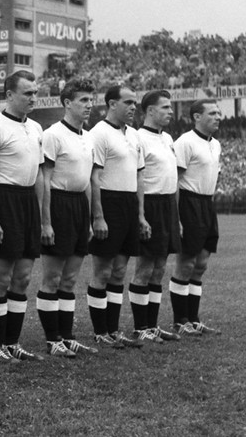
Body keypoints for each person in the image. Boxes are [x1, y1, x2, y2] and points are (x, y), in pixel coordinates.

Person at [0, 70, 44, 363]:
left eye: (35, 92)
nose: (33, 98)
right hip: (4, 201)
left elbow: (39, 173)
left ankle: (13, 343)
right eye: (27, 93)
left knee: (23, 277)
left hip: (28, 202)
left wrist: (40, 215)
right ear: (9, 95)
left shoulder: (37, 127)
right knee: (2, 277)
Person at [37, 79, 99, 358]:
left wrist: (88, 219)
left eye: (91, 100)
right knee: (52, 276)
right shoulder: (53, 135)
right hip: (58, 203)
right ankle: (53, 340)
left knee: (70, 278)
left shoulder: (87, 137)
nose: (89, 105)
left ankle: (67, 336)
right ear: (67, 103)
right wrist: (46, 222)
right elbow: (45, 179)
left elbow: (86, 181)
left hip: (78, 207)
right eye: (83, 100)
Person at [86, 85, 145, 349]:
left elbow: (139, 176)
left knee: (120, 271)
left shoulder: (133, 134)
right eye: (128, 102)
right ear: (111, 104)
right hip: (108, 203)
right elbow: (94, 177)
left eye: (136, 103)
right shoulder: (98, 133)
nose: (134, 107)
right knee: (103, 270)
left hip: (129, 203)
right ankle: (100, 332)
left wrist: (141, 215)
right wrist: (98, 216)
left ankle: (114, 330)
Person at [128, 90, 182, 344]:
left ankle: (152, 325)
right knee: (145, 267)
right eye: (165, 107)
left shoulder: (168, 138)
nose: (170, 111)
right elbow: (137, 179)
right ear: (150, 111)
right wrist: (140, 215)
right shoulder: (138, 138)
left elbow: (173, 179)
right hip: (150, 205)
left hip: (168, 205)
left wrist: (177, 216)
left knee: (160, 268)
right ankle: (141, 327)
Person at [170, 99, 223, 336]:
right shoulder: (185, 142)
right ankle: (180, 320)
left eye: (219, 113)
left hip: (207, 203)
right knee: (186, 263)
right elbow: (176, 181)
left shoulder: (217, 144)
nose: (218, 116)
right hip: (189, 203)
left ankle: (194, 318)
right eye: (212, 113)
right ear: (196, 117)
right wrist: (178, 216)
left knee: (201, 264)